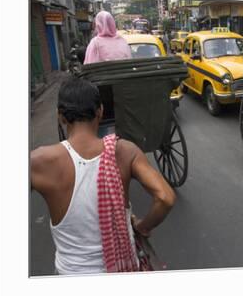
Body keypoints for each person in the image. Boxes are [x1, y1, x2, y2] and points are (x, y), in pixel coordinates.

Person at [31, 76, 176, 275]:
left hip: (70, 274)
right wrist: (142, 227)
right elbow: (165, 198)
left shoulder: (38, 161)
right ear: (100, 111)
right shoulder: (125, 151)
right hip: (121, 270)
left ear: (60, 116)